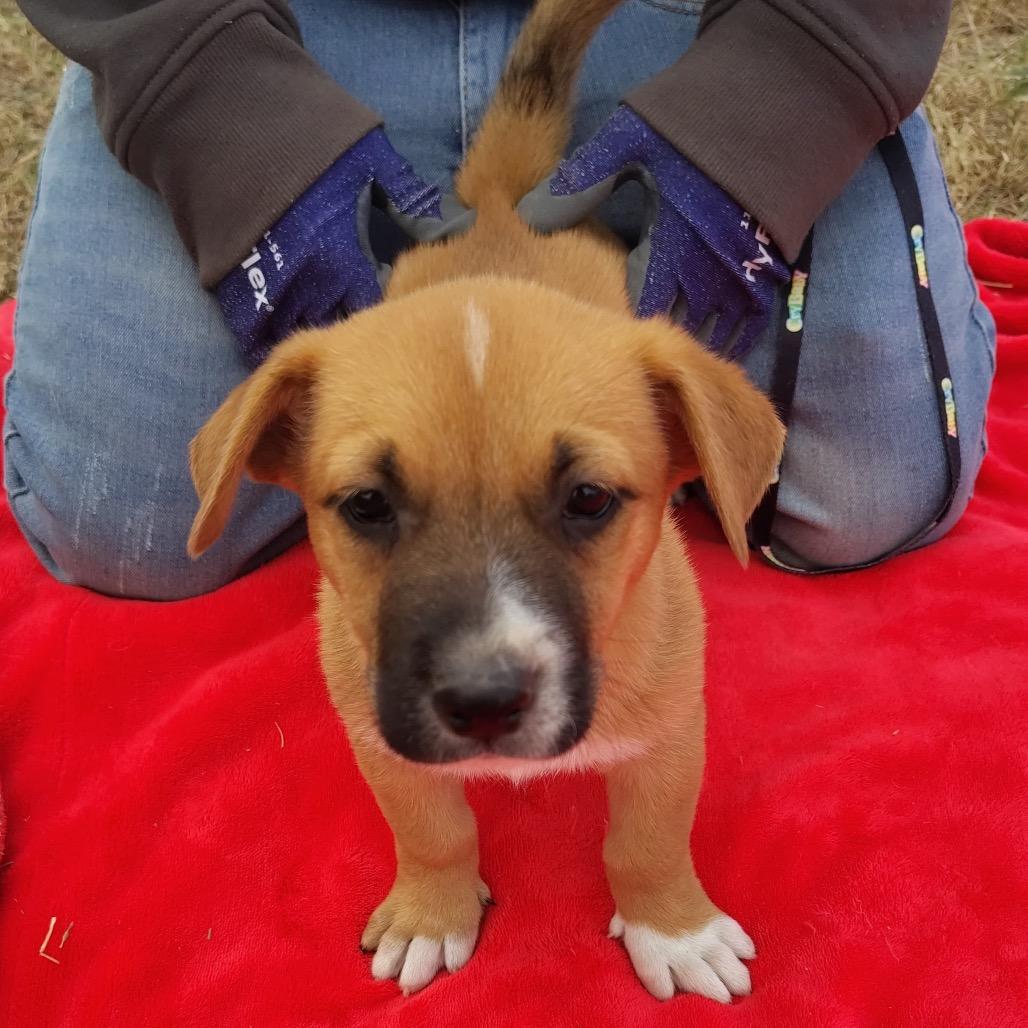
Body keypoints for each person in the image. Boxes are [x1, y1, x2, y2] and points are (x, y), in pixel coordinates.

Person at [5, 0, 995, 600]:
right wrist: (212, 100)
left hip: (694, 24)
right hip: (270, 27)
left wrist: (787, 83)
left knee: (868, 498)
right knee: (122, 525)